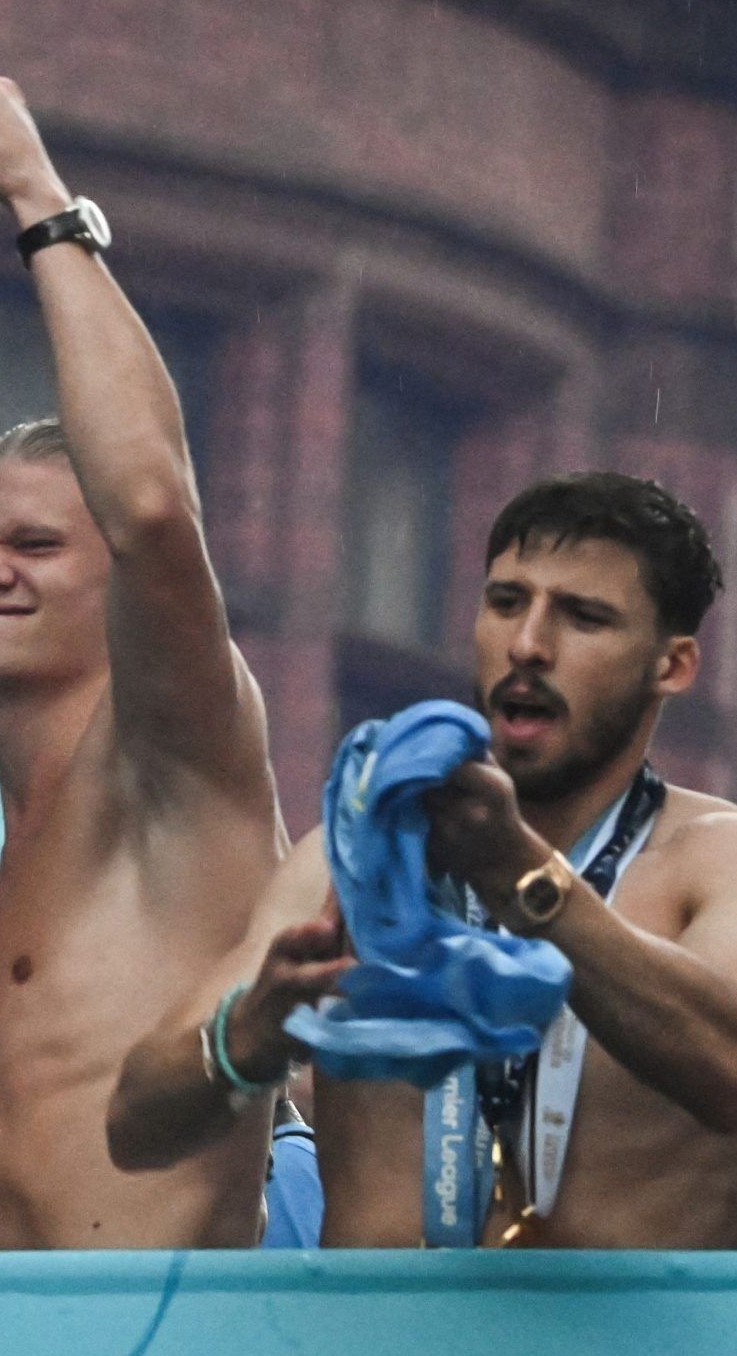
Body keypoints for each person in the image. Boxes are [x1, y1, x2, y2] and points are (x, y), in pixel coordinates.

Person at [108, 472, 737, 1249]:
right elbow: (134, 1125)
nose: (527, 644)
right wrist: (251, 1033)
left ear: (670, 666)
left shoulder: (714, 859)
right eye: (506, 602)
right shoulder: (357, 856)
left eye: (582, 617)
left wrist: (526, 882)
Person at [0, 54, 286, 1249]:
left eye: (32, 543)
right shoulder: (11, 855)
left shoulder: (171, 762)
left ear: (114, 578)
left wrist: (36, 197)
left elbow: (155, 508)